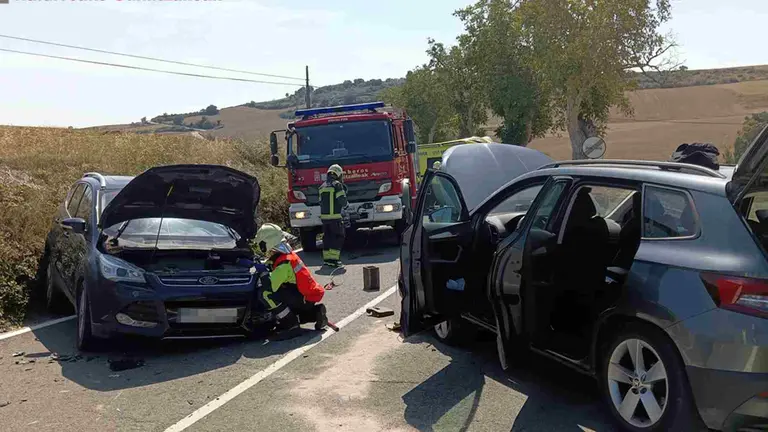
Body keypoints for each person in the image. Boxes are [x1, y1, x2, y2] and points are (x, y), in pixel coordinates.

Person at [251, 223, 328, 339]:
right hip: (306, 296)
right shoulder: (287, 255)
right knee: (286, 303)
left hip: (302, 297)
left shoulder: (284, 264)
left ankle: (290, 326)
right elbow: (273, 264)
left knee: (266, 294)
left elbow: (271, 285)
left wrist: (263, 272)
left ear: (268, 243)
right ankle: (314, 313)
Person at [319, 164, 347, 267]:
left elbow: (320, 202)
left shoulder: (322, 186)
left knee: (327, 238)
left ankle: (327, 259)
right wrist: (346, 206)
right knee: (338, 237)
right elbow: (342, 200)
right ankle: (334, 260)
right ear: (338, 174)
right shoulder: (337, 185)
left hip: (324, 218)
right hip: (335, 217)